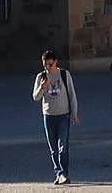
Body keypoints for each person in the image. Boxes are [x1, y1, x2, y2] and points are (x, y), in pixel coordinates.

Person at [34, 50, 81, 185]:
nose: (47, 68)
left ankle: (64, 173)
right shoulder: (41, 77)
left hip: (63, 115)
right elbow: (36, 97)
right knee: (53, 148)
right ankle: (58, 173)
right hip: (48, 115)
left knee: (63, 146)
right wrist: (42, 87)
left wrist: (74, 113)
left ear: (55, 62)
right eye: (45, 65)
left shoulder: (64, 75)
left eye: (50, 64)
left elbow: (72, 95)